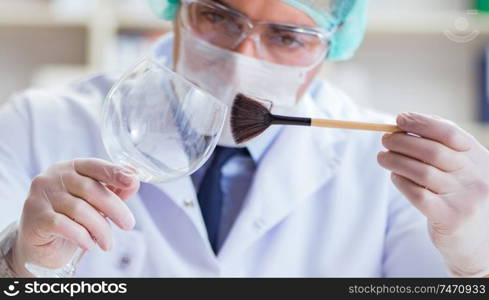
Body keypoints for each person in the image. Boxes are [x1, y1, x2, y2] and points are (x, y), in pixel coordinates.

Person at [0, 0, 488, 277]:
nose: (240, 58)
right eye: (218, 16)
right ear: (176, 9)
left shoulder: (388, 166)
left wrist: (474, 254)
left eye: (288, 37)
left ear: (332, 45)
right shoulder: (38, 123)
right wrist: (23, 263)